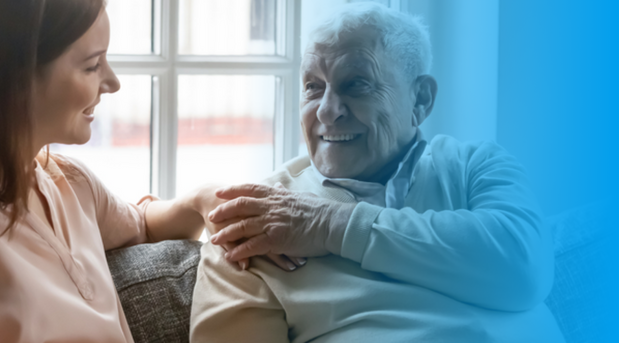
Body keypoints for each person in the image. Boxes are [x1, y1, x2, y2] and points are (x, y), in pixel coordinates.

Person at [190, 3, 565, 342]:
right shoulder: (257, 225)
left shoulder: (476, 165)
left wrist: (330, 225)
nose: (326, 111)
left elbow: (524, 269)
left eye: (356, 84)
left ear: (421, 99)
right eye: (312, 87)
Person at [0, 0, 224, 342]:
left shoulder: (70, 183)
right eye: (92, 66)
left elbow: (142, 226)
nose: (112, 82)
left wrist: (204, 198)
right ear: (16, 76)